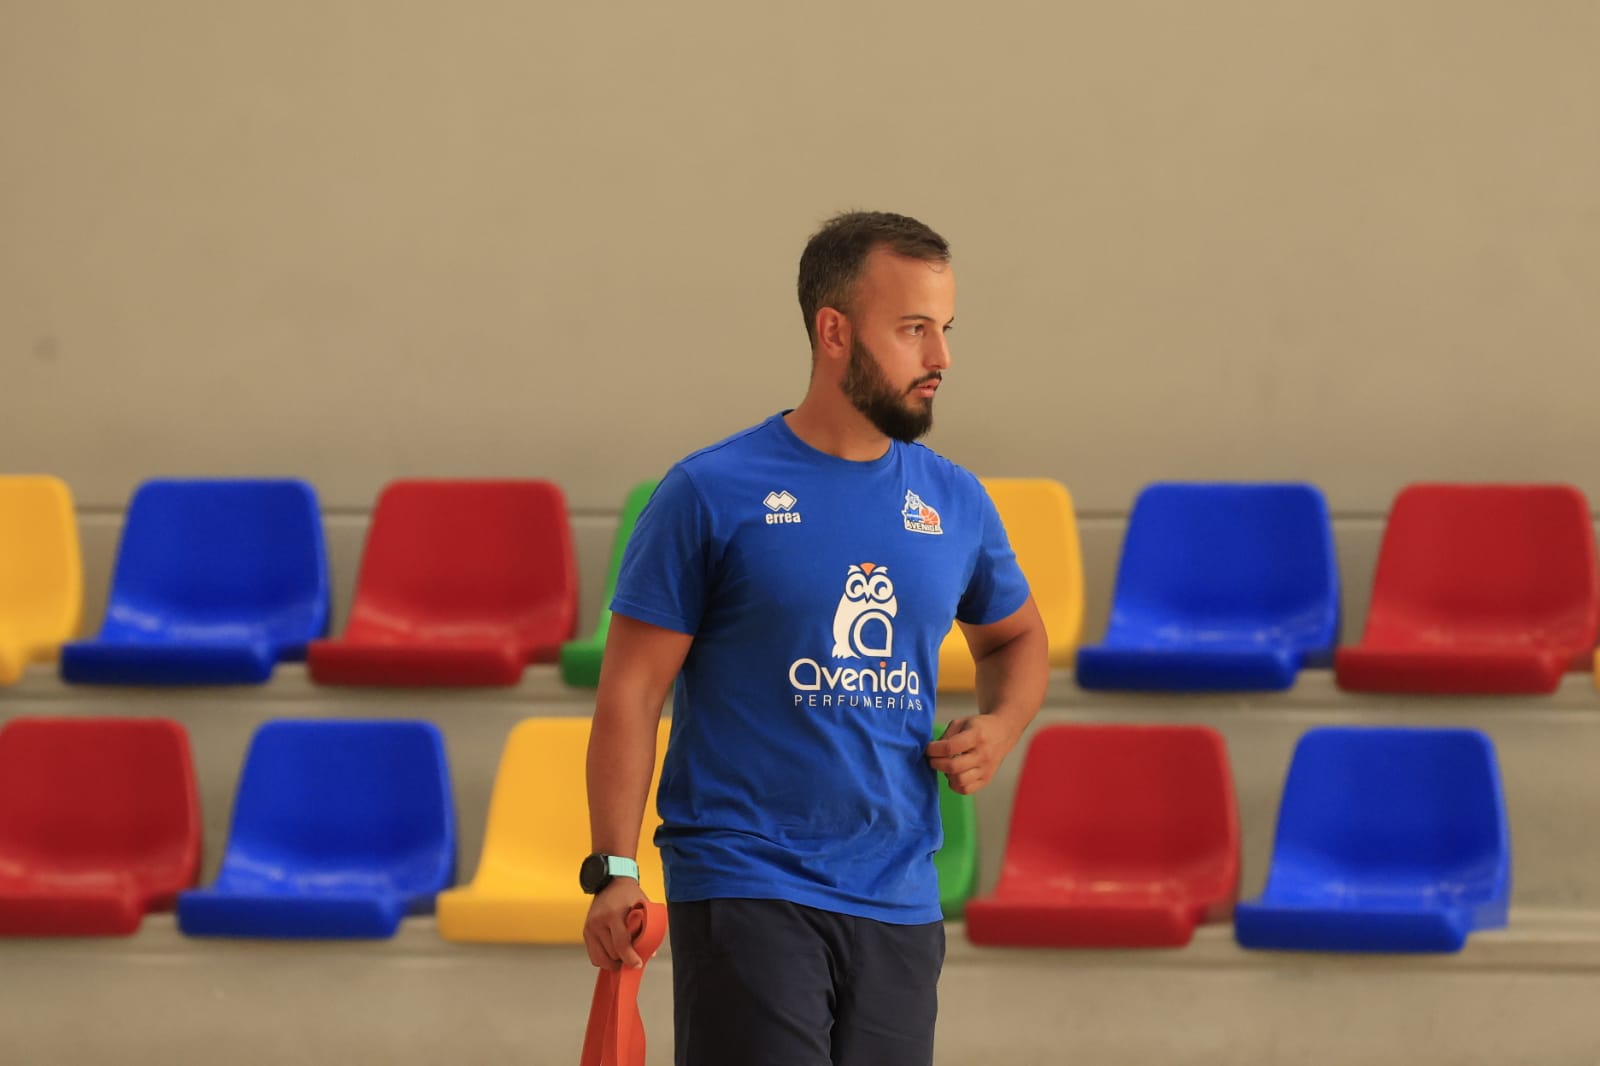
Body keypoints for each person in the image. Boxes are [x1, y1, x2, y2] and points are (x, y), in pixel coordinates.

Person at [581, 210, 1049, 1066]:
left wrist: (1002, 725)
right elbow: (631, 692)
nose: (940, 359)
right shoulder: (707, 493)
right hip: (747, 882)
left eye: (945, 331)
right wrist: (615, 866)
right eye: (913, 330)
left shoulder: (955, 502)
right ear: (834, 332)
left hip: (901, 895)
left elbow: (1015, 641)